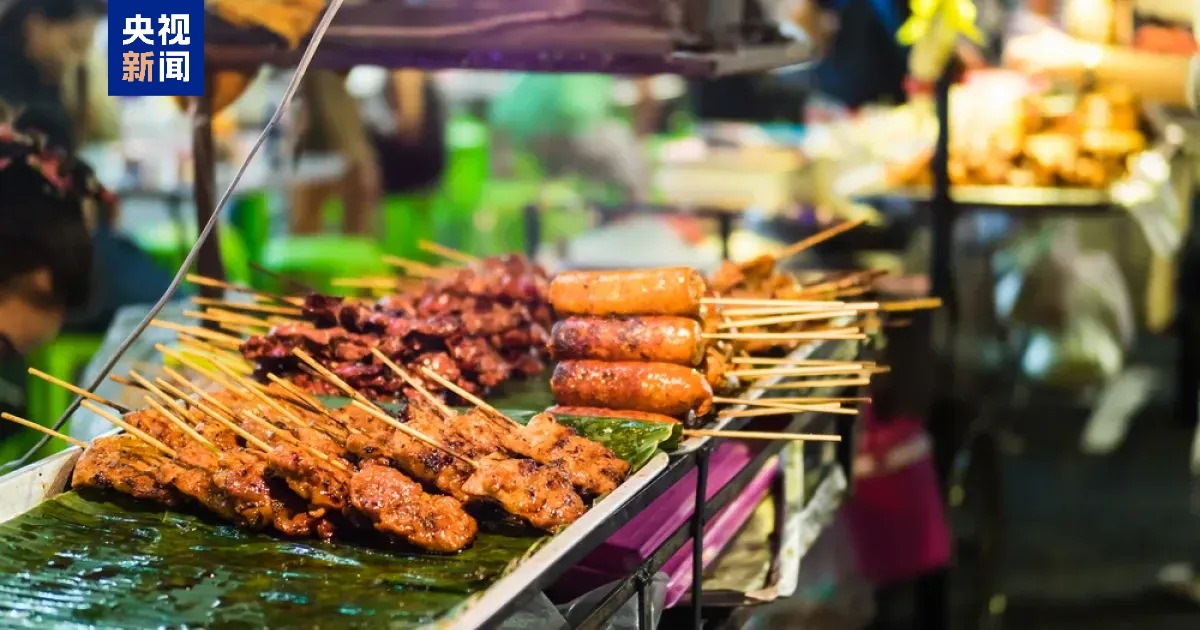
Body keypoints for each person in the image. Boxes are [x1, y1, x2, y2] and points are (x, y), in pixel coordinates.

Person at [0, 0, 107, 151]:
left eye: (86, 47)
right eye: (74, 44)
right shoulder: (10, 89)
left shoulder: (47, 78)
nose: (78, 59)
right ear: (35, 26)